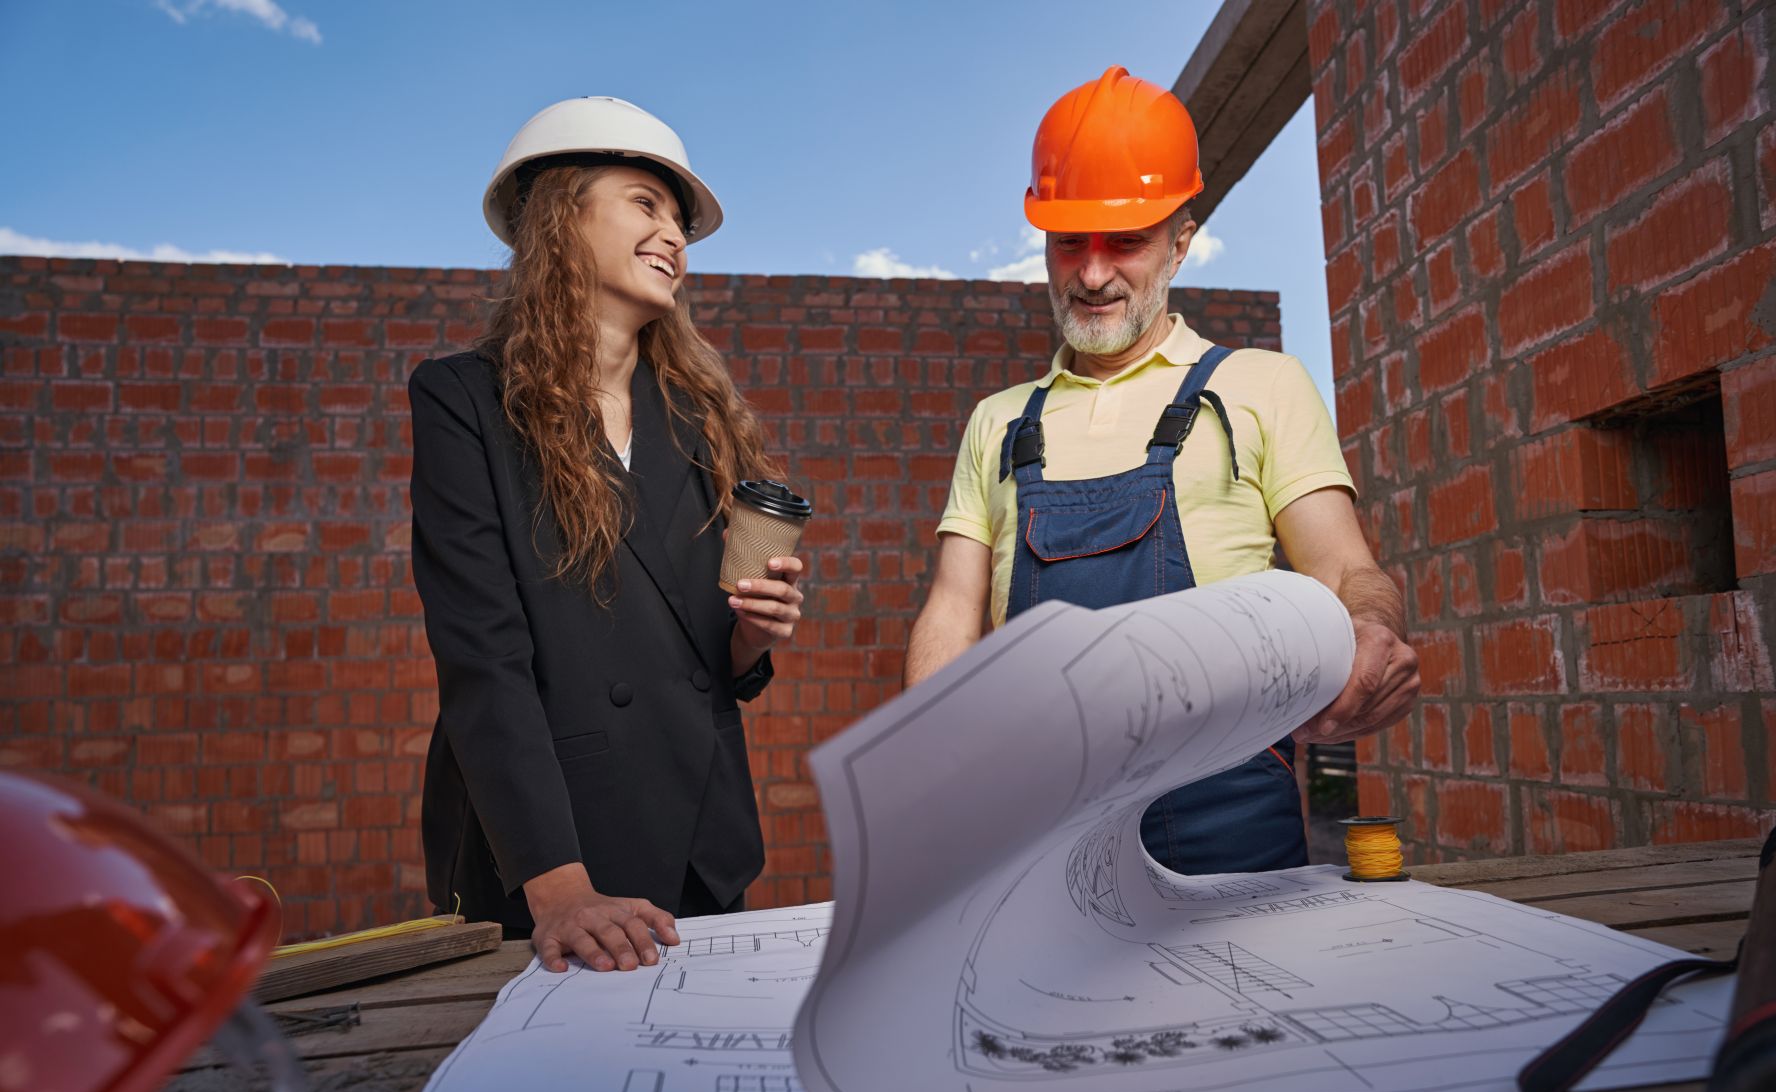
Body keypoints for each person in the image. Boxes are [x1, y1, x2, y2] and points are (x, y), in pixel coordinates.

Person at [905, 67, 1418, 874]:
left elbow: (1349, 569)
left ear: (1181, 241)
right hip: (1043, 829)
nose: (1095, 273)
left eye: (1127, 241)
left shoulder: (1259, 386)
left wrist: (1371, 631)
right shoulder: (1000, 422)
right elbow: (951, 611)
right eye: (1071, 241)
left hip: (1234, 824)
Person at [409, 97, 805, 974]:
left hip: (701, 843)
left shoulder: (699, 418)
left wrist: (749, 635)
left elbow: (705, 658)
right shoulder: (464, 402)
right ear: (561, 215)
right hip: (549, 857)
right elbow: (484, 660)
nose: (675, 235)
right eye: (645, 203)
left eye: (680, 219)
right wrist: (558, 887)